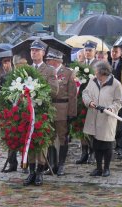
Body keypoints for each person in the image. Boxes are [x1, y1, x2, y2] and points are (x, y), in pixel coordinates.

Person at [23, 39, 59, 186]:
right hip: (28, 110)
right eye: (32, 50)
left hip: (42, 110)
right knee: (29, 141)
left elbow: (54, 90)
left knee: (40, 140)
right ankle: (31, 171)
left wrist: (37, 90)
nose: (34, 52)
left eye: (37, 50)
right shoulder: (26, 69)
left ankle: (39, 171)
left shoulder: (50, 70)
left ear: (43, 53)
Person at [83, 61, 122, 176]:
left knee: (107, 144)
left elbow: (119, 101)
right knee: (96, 144)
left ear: (103, 73)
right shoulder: (93, 81)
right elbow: (85, 93)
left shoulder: (116, 84)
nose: (95, 75)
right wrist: (89, 102)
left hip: (107, 118)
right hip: (94, 116)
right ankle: (98, 168)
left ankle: (106, 168)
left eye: (97, 73)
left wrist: (110, 109)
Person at [45, 48, 77, 176]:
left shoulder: (68, 73)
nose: (47, 62)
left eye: (49, 60)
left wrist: (72, 113)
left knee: (62, 137)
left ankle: (61, 165)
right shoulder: (47, 72)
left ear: (56, 61)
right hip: (49, 109)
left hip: (63, 108)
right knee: (50, 138)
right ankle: (52, 164)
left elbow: (73, 95)